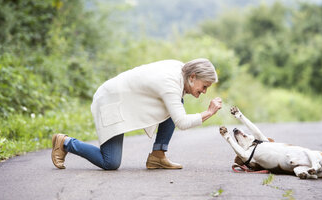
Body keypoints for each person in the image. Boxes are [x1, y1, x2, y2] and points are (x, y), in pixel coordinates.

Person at [51, 58, 222, 170]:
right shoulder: (170, 84)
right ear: (192, 76)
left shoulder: (181, 70)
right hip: (110, 100)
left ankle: (157, 156)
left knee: (177, 103)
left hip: (122, 97)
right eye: (204, 86)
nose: (205, 91)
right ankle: (65, 142)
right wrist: (208, 112)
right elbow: (182, 122)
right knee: (110, 162)